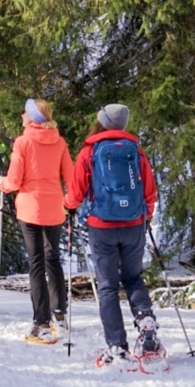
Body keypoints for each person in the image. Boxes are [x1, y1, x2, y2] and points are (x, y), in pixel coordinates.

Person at [63, 103, 161, 366]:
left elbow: (76, 191)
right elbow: (149, 190)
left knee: (108, 286)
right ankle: (146, 321)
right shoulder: (136, 151)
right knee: (133, 277)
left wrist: (69, 207)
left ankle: (117, 346)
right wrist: (146, 215)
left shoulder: (90, 151)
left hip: (102, 226)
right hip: (133, 225)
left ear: (102, 122)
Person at [0, 98, 74, 343]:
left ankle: (41, 320)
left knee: (36, 262)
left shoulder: (23, 142)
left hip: (30, 209)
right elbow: (70, 178)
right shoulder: (59, 142)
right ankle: (59, 314)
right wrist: (71, 202)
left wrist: (1, 184)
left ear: (32, 118)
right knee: (53, 259)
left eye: (25, 112)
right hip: (54, 208)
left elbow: (15, 180)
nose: (21, 115)